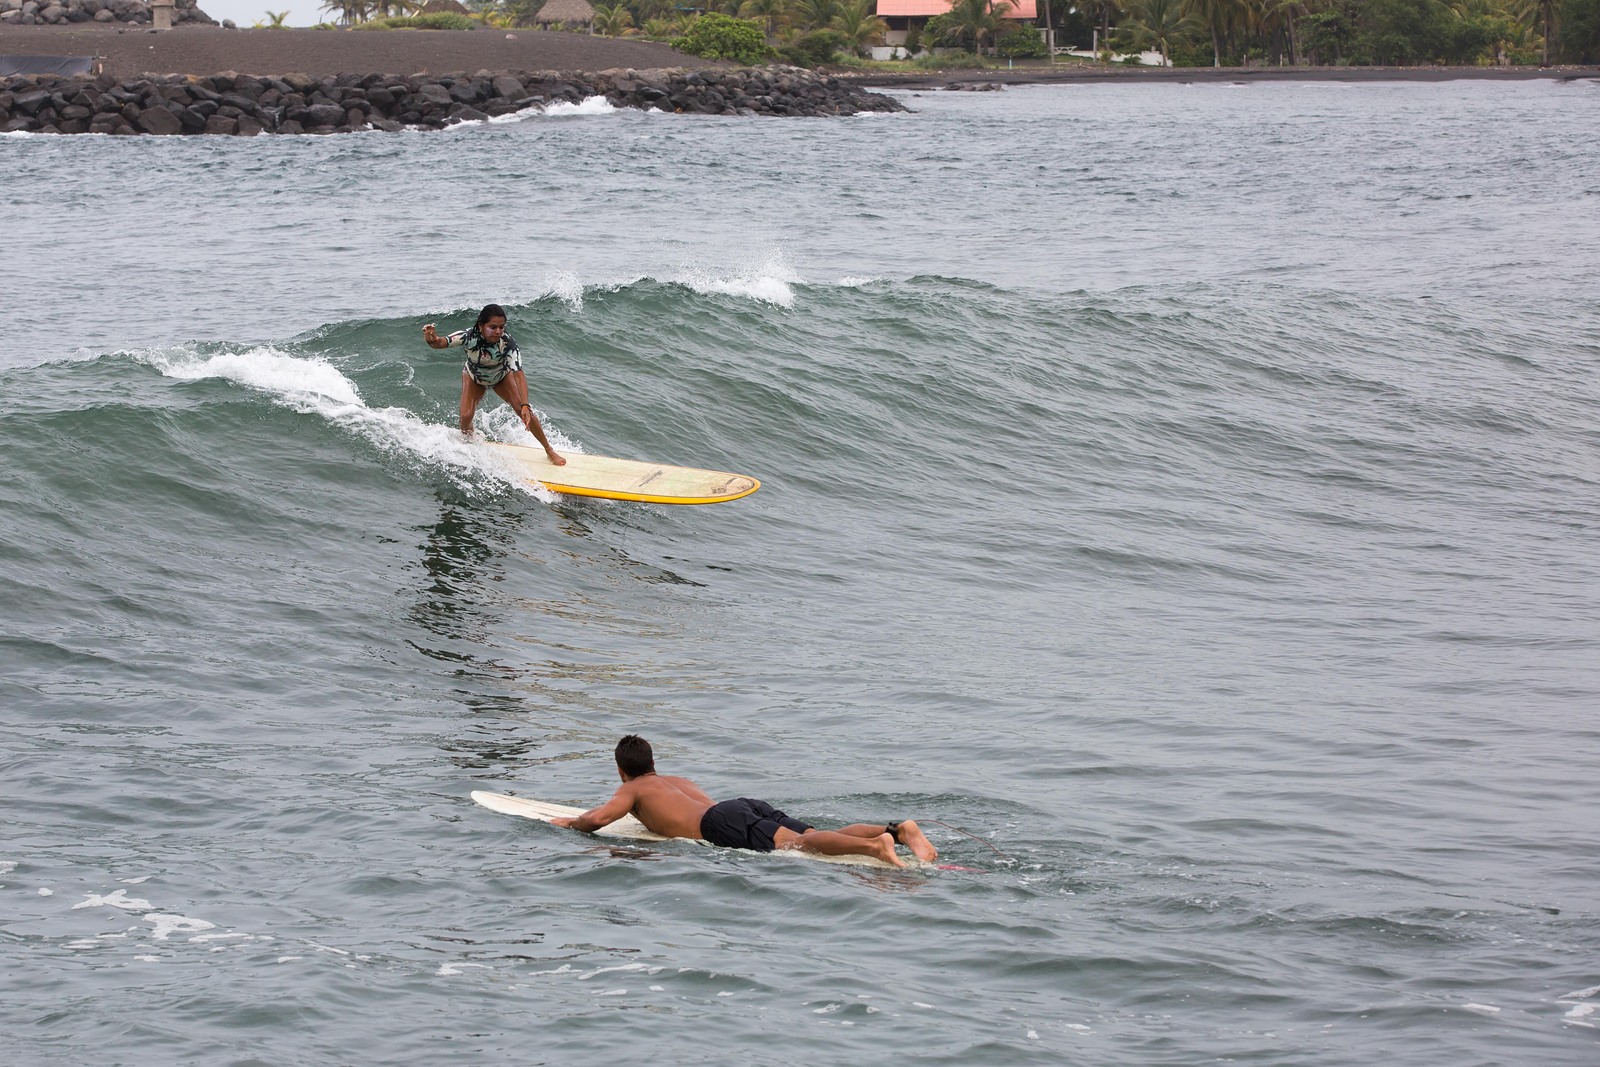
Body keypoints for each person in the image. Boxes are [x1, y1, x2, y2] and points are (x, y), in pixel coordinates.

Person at [551, 735, 938, 868]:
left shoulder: (633, 789)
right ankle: (896, 831)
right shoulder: (676, 780)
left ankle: (876, 845)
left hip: (720, 823)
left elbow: (598, 820)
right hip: (741, 805)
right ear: (653, 762)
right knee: (816, 835)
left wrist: (570, 823)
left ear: (622, 771)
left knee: (799, 845)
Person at [422, 303, 566, 465]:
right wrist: (431, 339)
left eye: (501, 327)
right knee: (466, 415)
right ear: (481, 326)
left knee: (524, 412)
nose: (498, 331)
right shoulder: (468, 336)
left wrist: (526, 404)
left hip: (501, 377)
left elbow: (518, 374)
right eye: (493, 327)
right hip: (473, 377)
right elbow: (441, 342)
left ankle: (549, 449)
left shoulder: (508, 343)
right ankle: (469, 443)